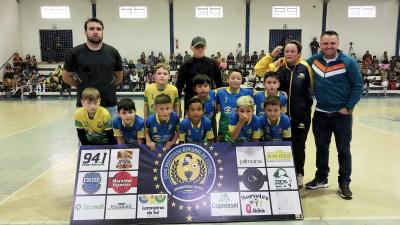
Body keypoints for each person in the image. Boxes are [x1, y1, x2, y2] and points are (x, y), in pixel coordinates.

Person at [306, 30, 363, 200]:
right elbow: (299, 65)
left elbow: (358, 86)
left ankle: (344, 182)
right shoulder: (313, 61)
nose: (329, 46)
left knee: (343, 150)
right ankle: (322, 178)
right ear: (320, 45)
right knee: (321, 148)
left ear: (338, 44)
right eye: (325, 43)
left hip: (341, 115)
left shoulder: (348, 62)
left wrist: (348, 107)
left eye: (332, 43)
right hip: (321, 114)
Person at [255, 40, 313, 187]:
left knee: (299, 145)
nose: (289, 54)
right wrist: (271, 56)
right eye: (286, 51)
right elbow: (259, 70)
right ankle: (279, 173)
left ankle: (299, 173)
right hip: (280, 118)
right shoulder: (279, 67)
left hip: (301, 116)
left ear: (299, 54)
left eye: (293, 51)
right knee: (281, 145)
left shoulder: (306, 67)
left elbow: (315, 86)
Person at [63, 18, 123, 120]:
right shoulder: (74, 53)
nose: (95, 32)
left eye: (99, 29)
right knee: (87, 136)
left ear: (102, 32)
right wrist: (82, 85)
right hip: (85, 106)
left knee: (111, 136)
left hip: (110, 105)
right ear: (85, 32)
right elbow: (66, 77)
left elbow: (119, 77)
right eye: (91, 29)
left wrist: (107, 86)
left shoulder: (113, 52)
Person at [176, 36, 222, 111]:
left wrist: (219, 102)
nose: (200, 49)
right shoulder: (185, 65)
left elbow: (219, 84)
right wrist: (178, 106)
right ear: (191, 47)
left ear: (205, 47)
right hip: (190, 102)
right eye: (197, 47)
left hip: (209, 101)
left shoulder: (213, 64)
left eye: (202, 47)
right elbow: (179, 86)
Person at [216, 69, 253, 141]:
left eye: (238, 79)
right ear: (227, 80)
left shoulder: (248, 92)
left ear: (241, 80)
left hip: (241, 126)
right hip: (224, 127)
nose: (236, 80)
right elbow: (217, 108)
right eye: (233, 78)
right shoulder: (220, 93)